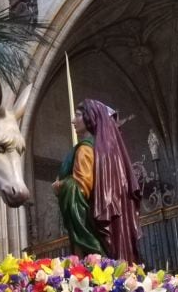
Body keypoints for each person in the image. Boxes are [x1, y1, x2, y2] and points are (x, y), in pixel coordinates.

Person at [53, 99, 141, 262]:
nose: (73, 120)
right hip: (112, 224)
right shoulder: (109, 152)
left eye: (78, 115)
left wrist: (61, 185)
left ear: (90, 117)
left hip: (92, 226)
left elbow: (79, 188)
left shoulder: (85, 150)